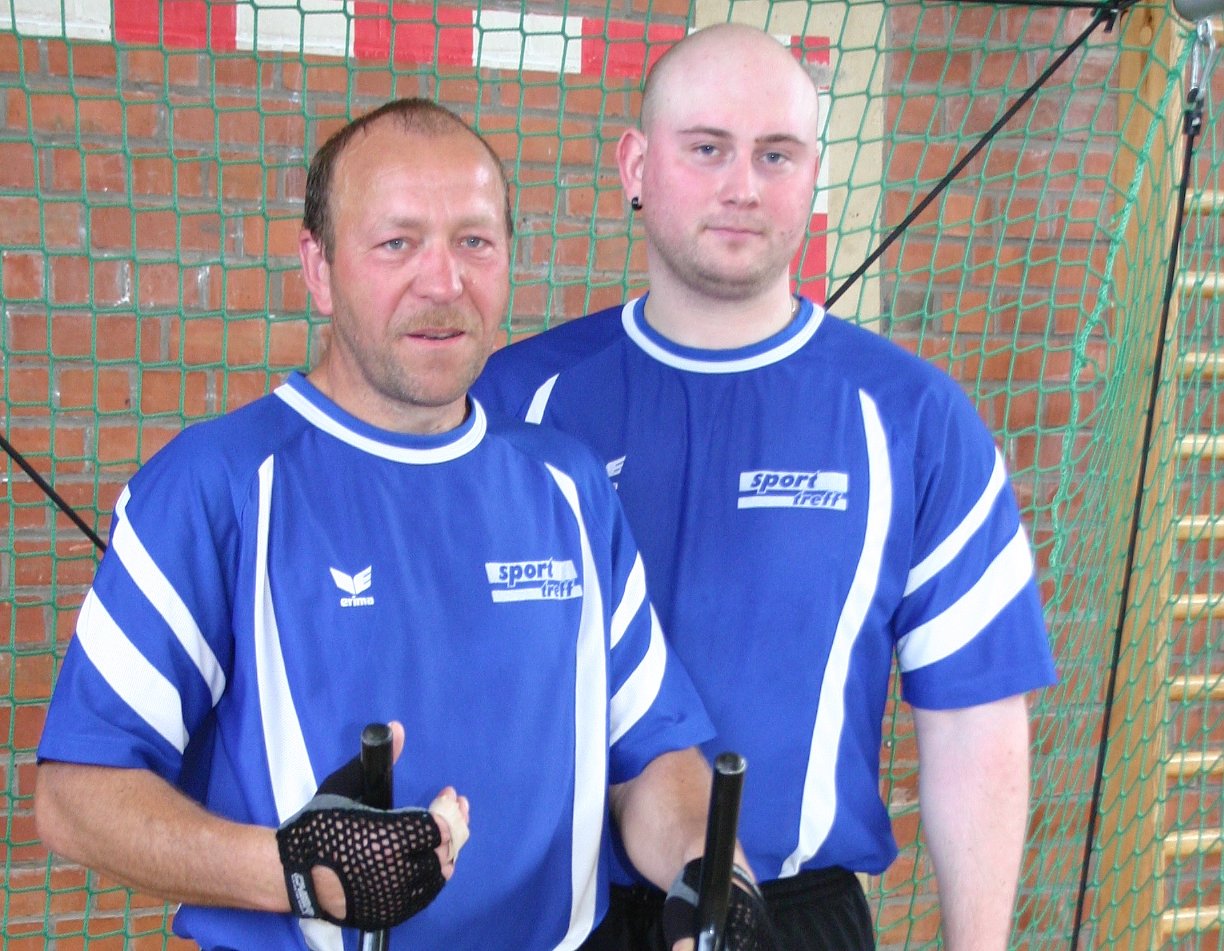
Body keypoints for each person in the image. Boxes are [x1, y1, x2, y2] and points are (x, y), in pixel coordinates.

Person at [34, 98, 763, 951]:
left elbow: (653, 758)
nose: (443, 282)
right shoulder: (215, 485)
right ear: (318, 267)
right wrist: (297, 871)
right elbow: (76, 796)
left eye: (474, 241)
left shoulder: (568, 485)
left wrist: (716, 878)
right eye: (397, 243)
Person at [473, 23, 1059, 951]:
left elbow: (973, 720)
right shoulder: (516, 403)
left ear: (813, 174)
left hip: (796, 916)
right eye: (707, 149)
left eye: (776, 154)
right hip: (559, 918)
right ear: (636, 166)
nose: (742, 185)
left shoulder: (913, 419)